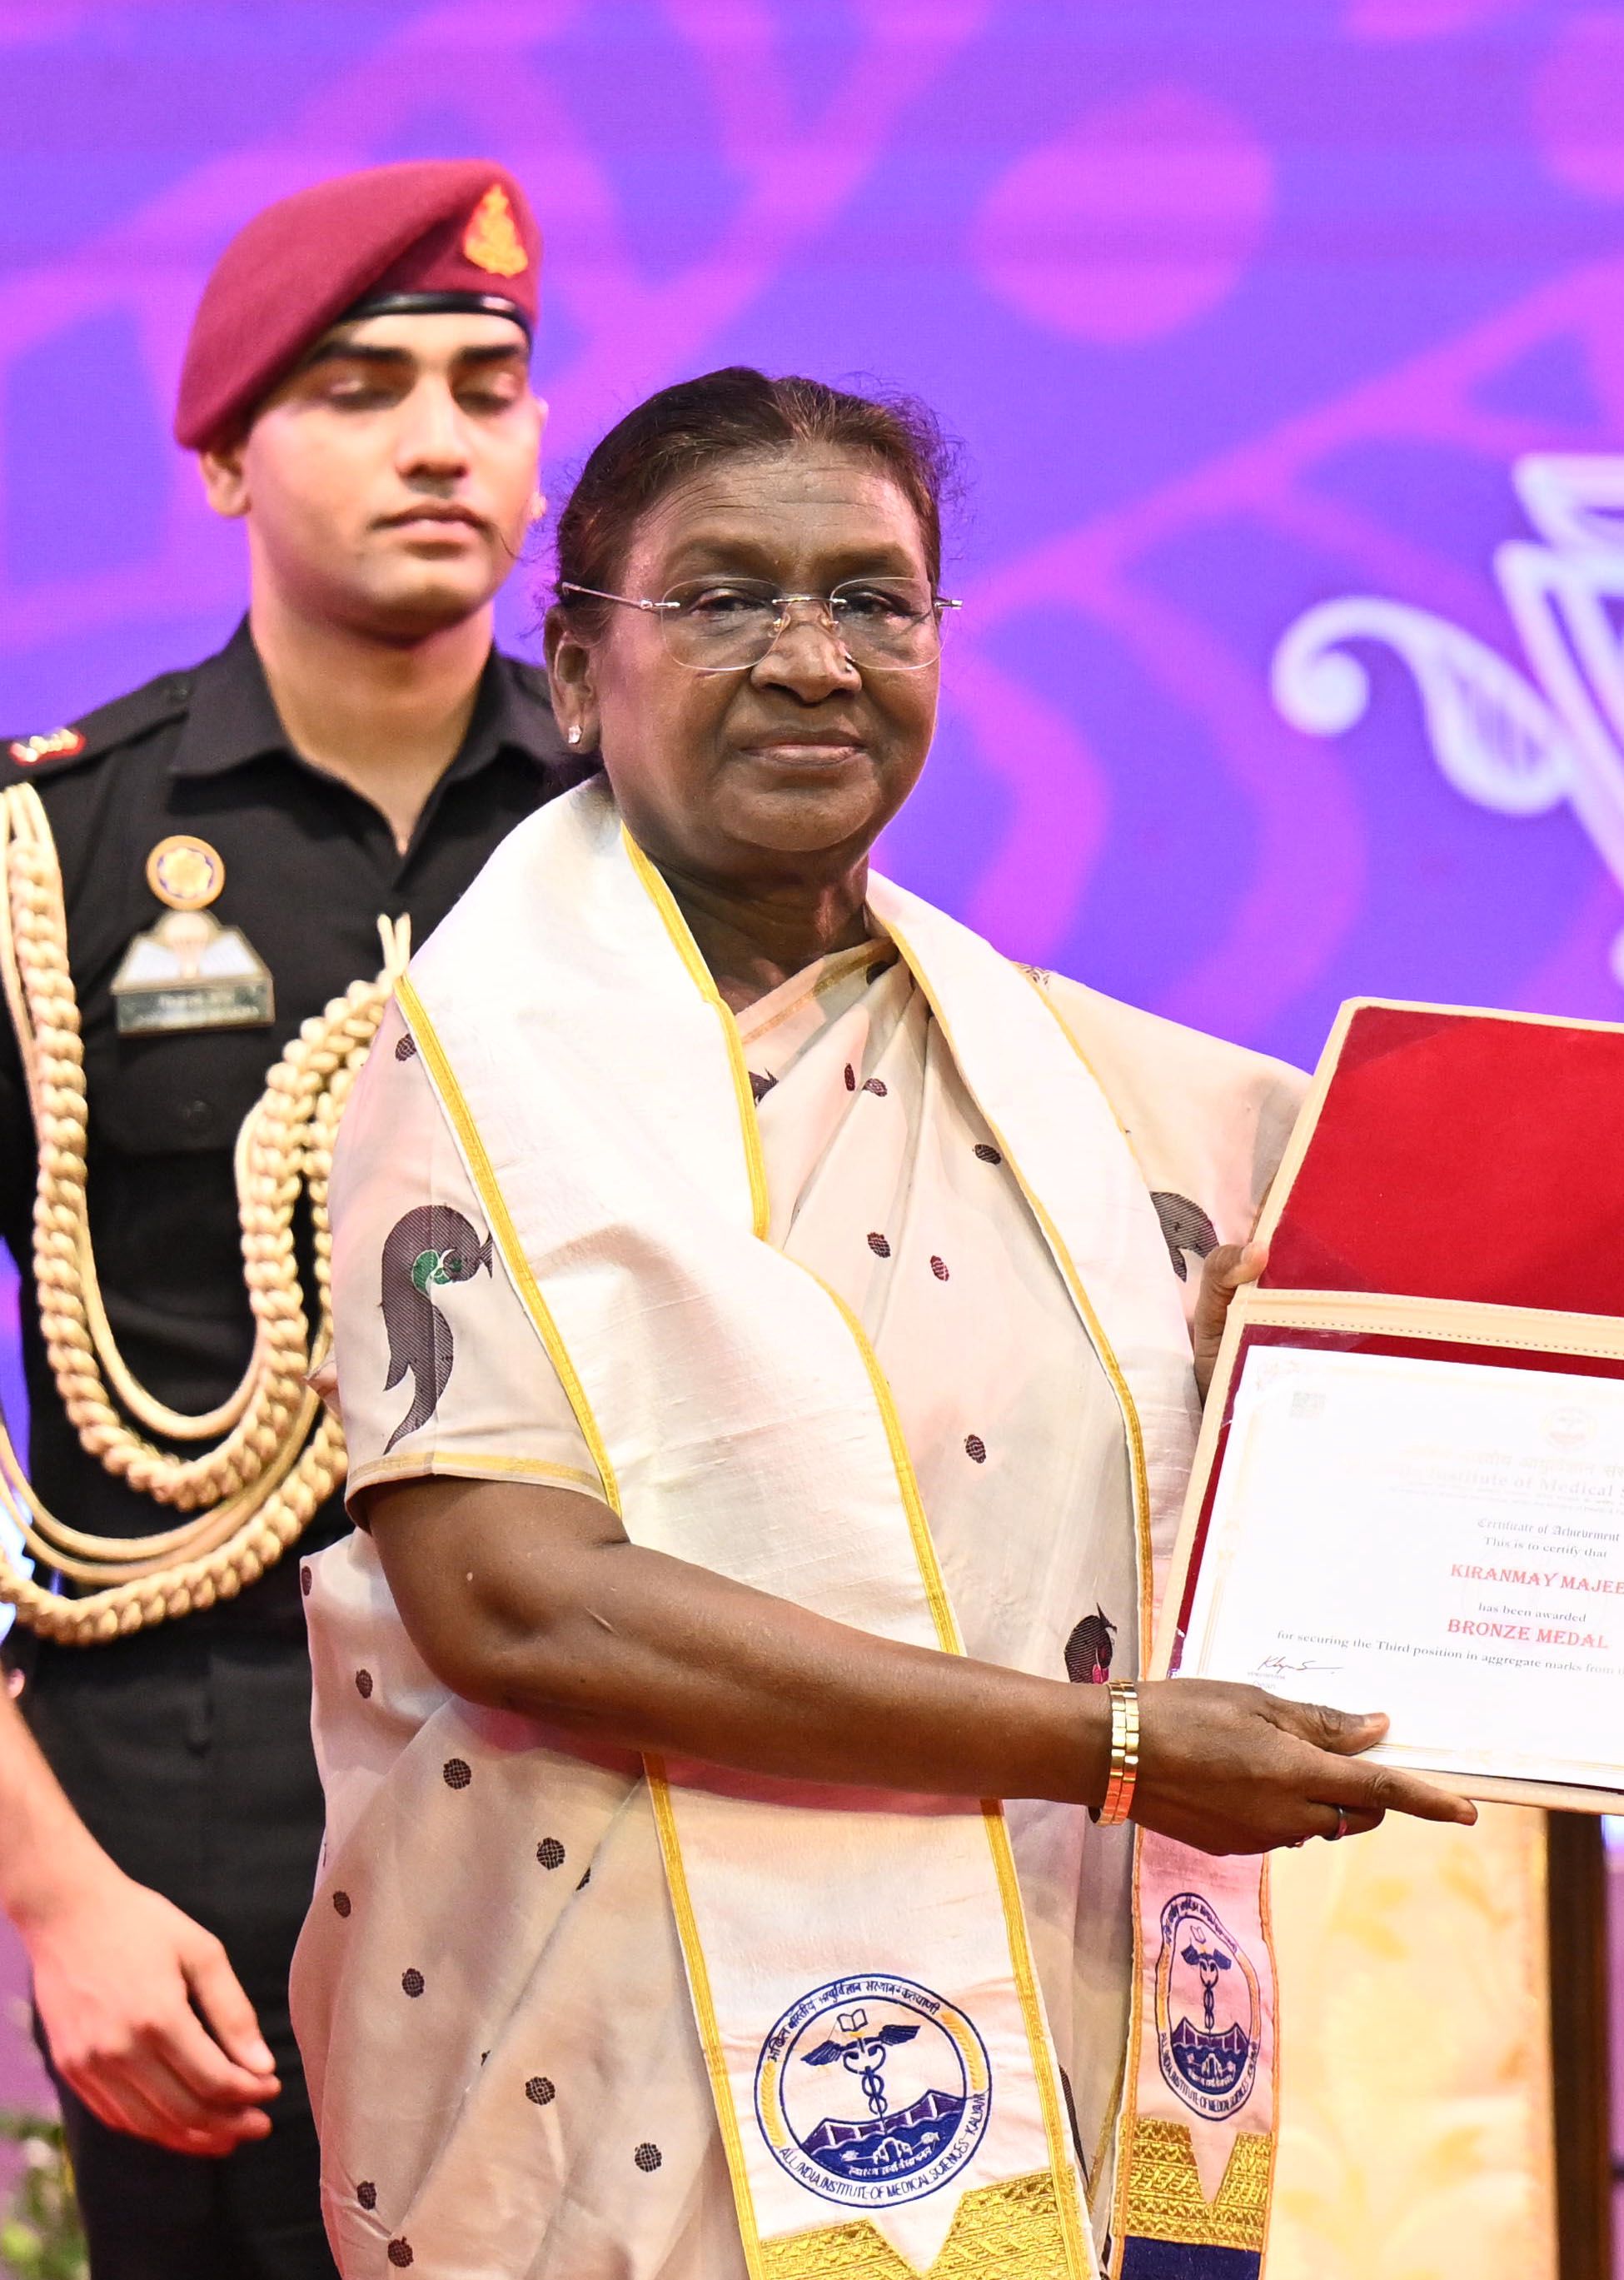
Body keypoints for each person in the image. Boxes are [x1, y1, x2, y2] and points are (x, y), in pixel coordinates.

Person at [288, 367, 1473, 2279]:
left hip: (1049, 2003)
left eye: (871, 599)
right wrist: (1105, 1746)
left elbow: (1477, 1370)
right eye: (724, 599)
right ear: (578, 671)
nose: (811, 660)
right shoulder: (473, 1085)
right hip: (625, 2074)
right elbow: (513, 1599)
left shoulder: (1116, 1103)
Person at [0, 159, 576, 2279]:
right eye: (360, 387)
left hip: (613, 1767)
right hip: (192, 1809)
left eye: (485, 388)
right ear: (227, 459)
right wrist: (57, 1891)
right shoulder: (52, 852)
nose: (439, 439)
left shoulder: (658, 847)